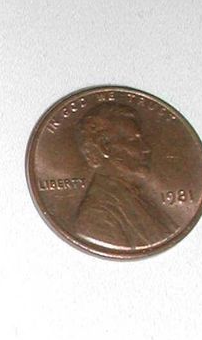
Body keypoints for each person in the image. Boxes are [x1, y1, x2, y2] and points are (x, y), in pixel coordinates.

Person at [74, 102, 176, 249]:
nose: (146, 148)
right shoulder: (97, 216)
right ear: (105, 147)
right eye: (134, 141)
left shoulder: (136, 196)